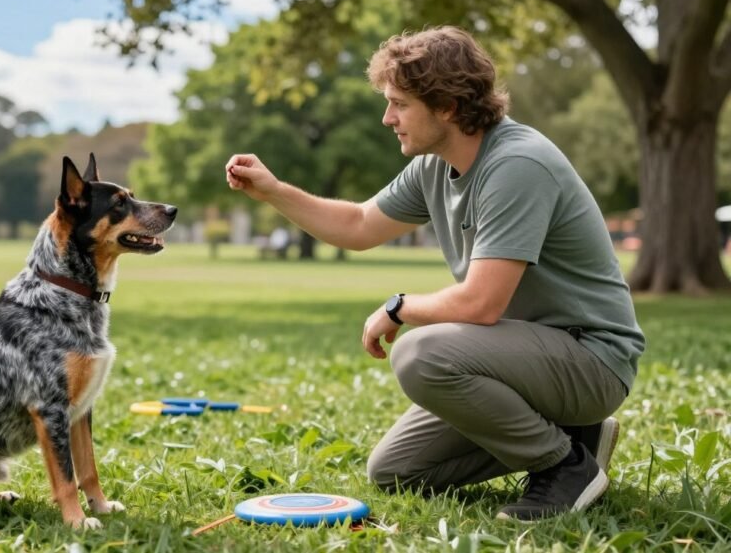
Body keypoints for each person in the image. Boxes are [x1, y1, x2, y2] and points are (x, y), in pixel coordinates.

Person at [224, 26, 644, 522]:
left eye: (399, 104)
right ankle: (578, 435)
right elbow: (359, 225)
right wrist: (274, 191)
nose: (388, 118)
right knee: (397, 470)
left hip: (590, 358)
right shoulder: (434, 166)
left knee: (422, 353)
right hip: (526, 357)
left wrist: (399, 306)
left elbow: (479, 304)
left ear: (446, 106)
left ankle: (565, 466)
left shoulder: (517, 164)